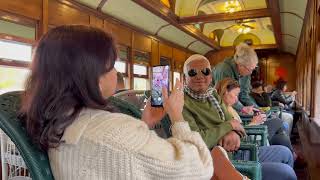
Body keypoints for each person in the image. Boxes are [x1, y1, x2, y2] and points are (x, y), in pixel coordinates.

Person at [20, 25, 214, 180]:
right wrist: (177, 115)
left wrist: (144, 124)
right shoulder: (117, 131)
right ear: (92, 76)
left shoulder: (59, 122)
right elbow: (200, 168)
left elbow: (111, 159)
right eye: (113, 65)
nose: (116, 73)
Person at [182, 54, 297, 180]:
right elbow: (195, 142)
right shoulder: (182, 103)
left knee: (286, 153)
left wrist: (233, 131)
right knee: (287, 173)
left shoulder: (213, 96)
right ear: (184, 77)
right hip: (221, 163)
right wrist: (228, 126)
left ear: (211, 76)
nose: (200, 76)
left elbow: (236, 125)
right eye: (192, 72)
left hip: (239, 148)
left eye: (205, 71)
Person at [212, 43, 294, 136]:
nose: (251, 72)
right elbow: (224, 97)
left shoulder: (246, 73)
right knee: (278, 124)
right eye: (249, 69)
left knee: (280, 128)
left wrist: (256, 109)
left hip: (237, 111)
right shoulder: (224, 70)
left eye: (253, 69)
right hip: (224, 113)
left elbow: (245, 94)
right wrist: (242, 108)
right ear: (240, 65)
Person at [216, 78, 294, 152]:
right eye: (235, 95)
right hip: (248, 141)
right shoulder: (222, 111)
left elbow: (268, 103)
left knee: (281, 137)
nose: (237, 100)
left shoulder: (230, 107)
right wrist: (254, 123)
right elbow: (235, 134)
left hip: (251, 133)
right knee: (278, 122)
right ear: (225, 92)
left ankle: (292, 155)